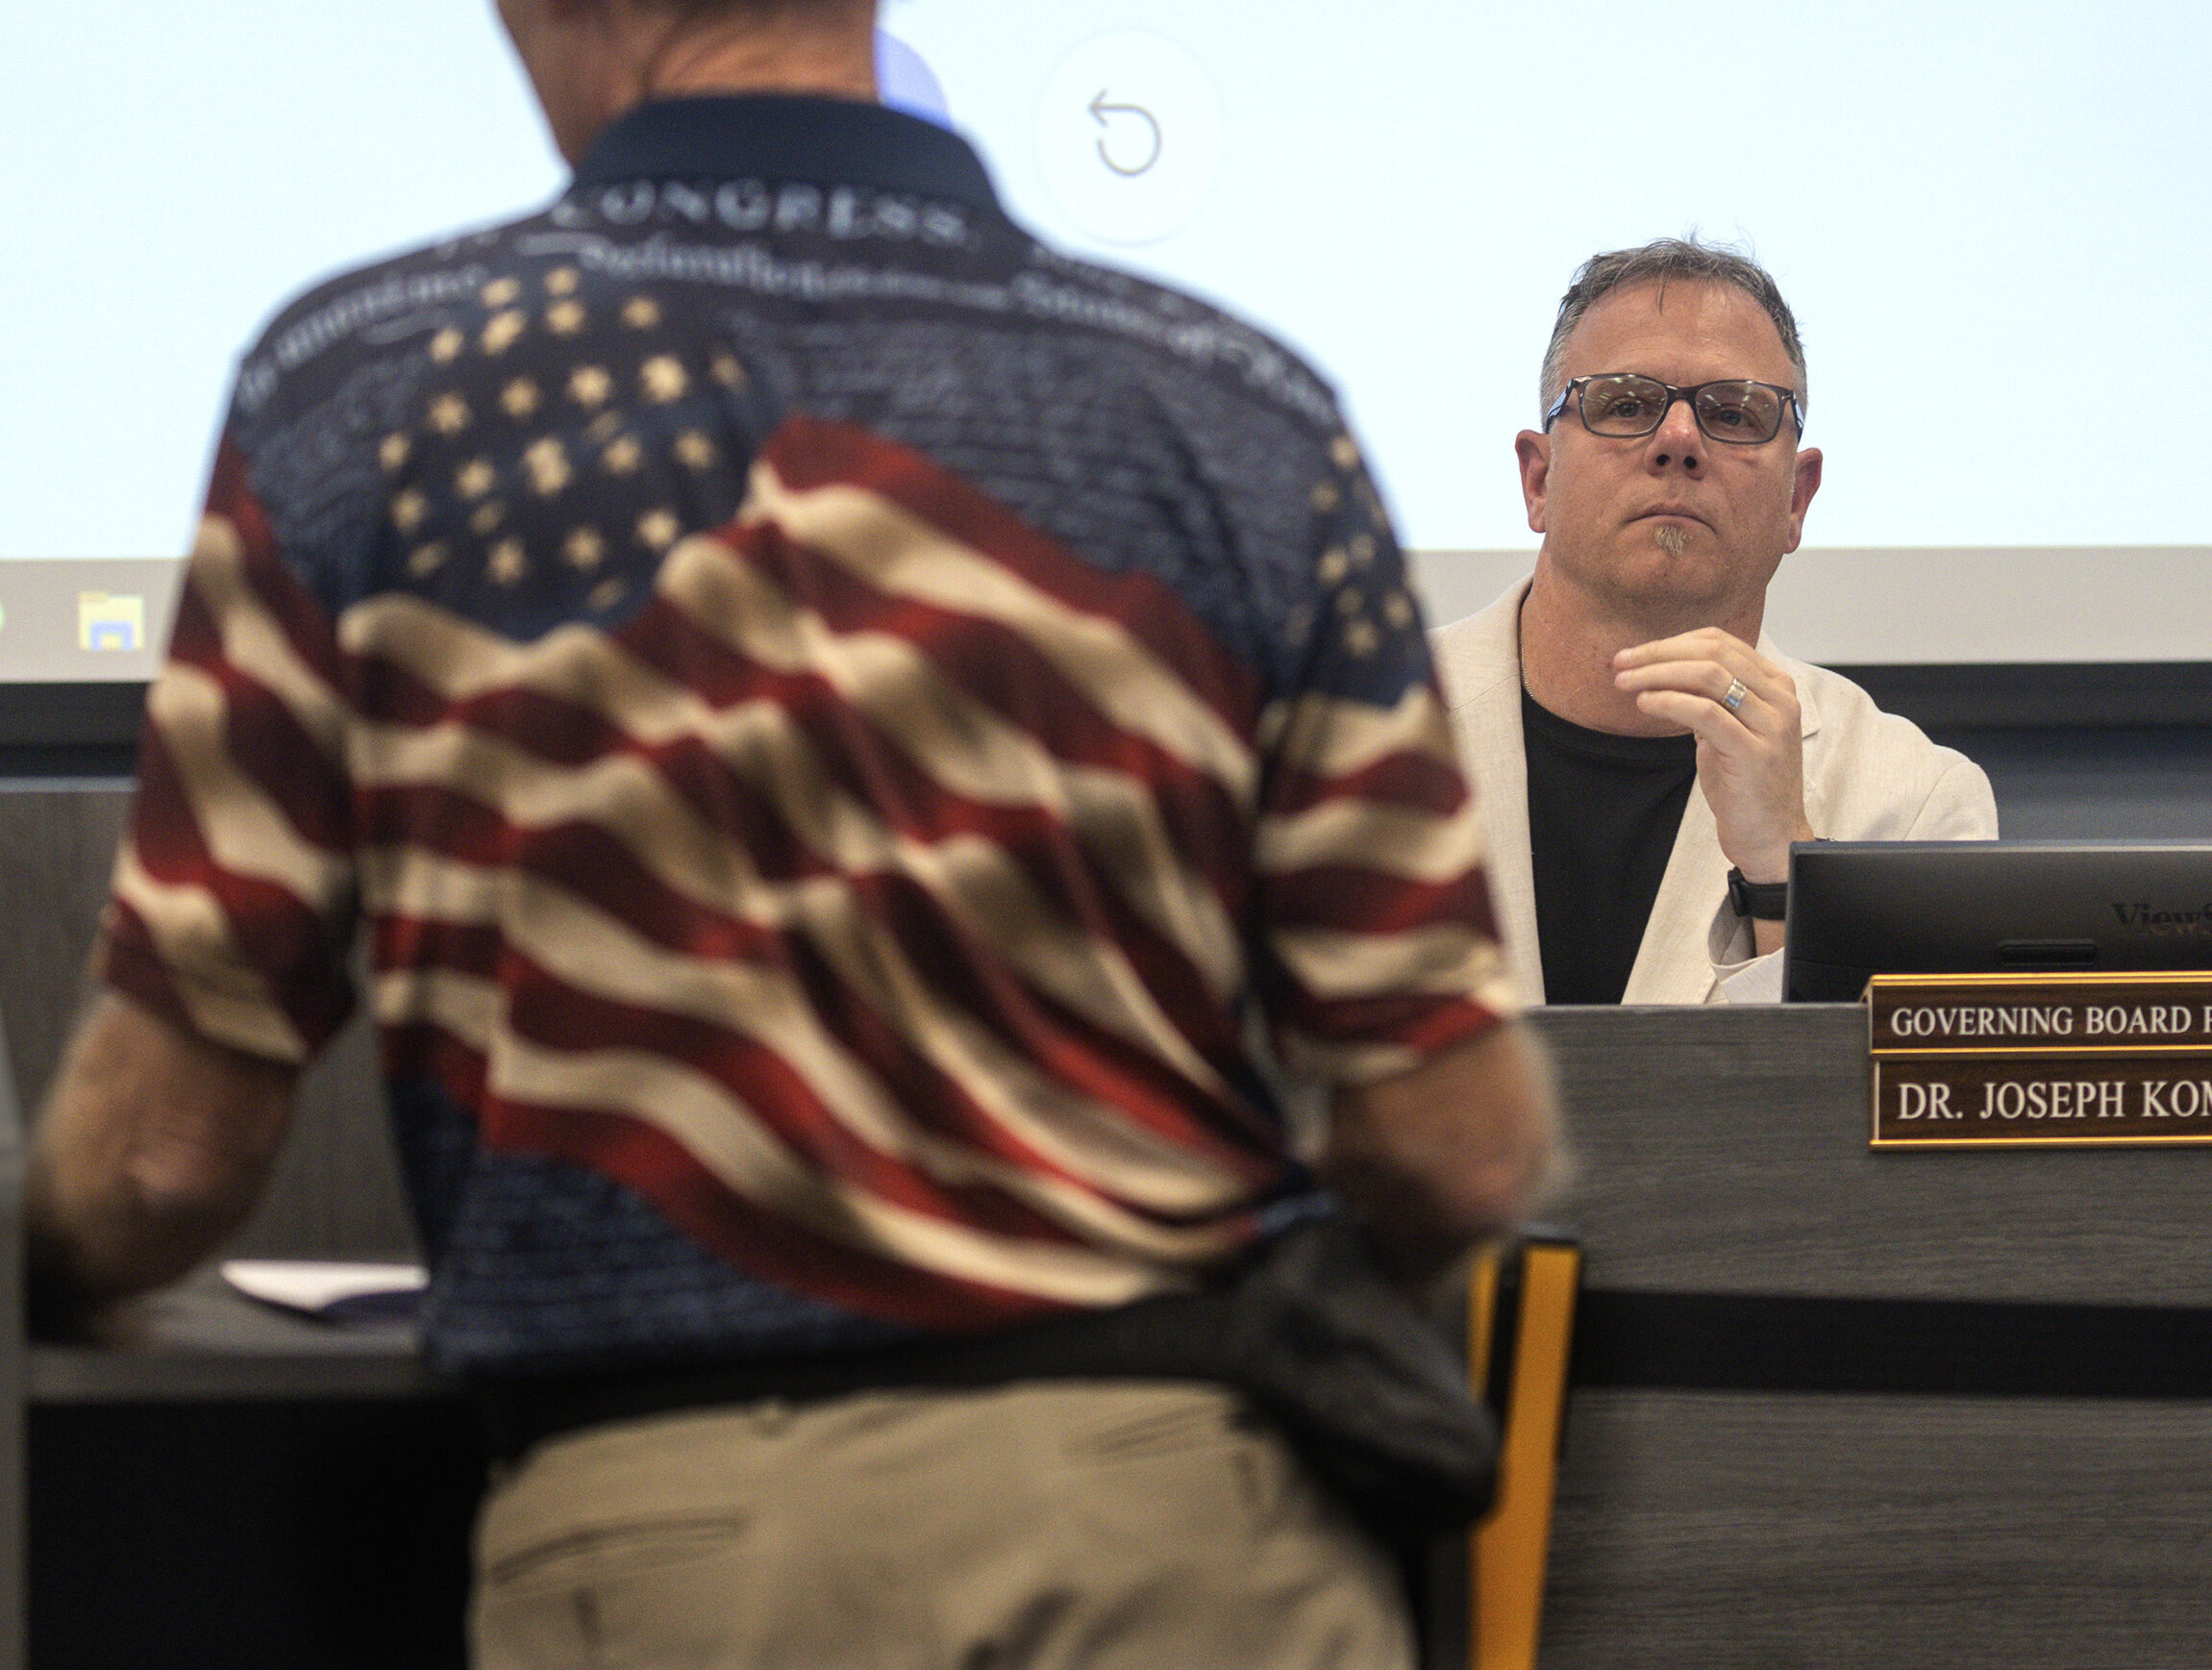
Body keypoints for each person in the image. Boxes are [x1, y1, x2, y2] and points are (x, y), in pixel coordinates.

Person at [23, 2, 1558, 1664]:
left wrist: (42, 1249)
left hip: (678, 1540)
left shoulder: (361, 386)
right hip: (1196, 1524)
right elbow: (1455, 1140)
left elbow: (166, 1151)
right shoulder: (1244, 409)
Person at [1432, 240, 1996, 1007]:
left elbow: (1883, 1112)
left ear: (1797, 500)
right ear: (1538, 479)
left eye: (1734, 413)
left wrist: (1782, 872)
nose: (1678, 441)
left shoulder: (1911, 805)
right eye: (1626, 404)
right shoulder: (1346, 735)